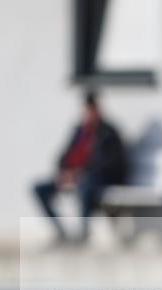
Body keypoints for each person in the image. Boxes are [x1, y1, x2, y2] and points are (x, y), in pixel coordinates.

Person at [33, 92, 127, 243]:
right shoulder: (79, 132)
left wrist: (81, 173)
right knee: (39, 188)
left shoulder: (108, 133)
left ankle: (83, 233)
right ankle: (60, 232)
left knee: (85, 187)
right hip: (74, 177)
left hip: (95, 179)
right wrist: (65, 173)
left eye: (91, 110)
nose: (88, 115)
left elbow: (111, 162)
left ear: (97, 111)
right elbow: (63, 157)